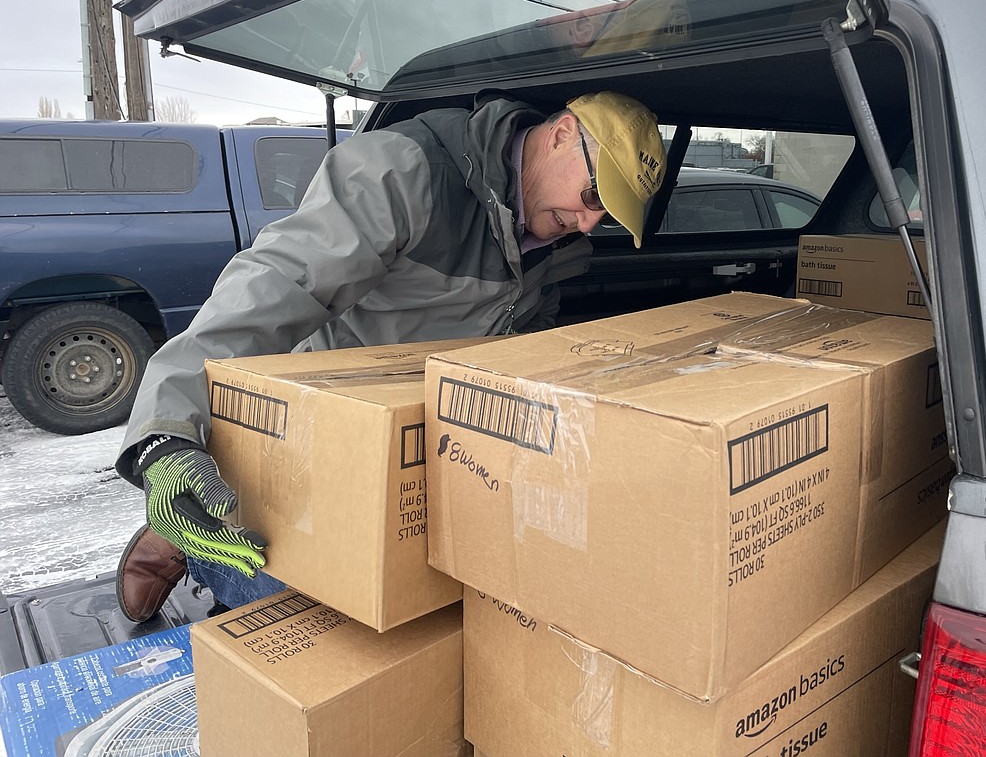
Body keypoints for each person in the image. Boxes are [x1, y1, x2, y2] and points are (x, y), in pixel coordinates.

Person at [113, 90, 667, 622]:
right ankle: (183, 527)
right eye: (595, 198)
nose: (592, 222)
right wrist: (168, 429)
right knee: (291, 599)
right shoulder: (404, 171)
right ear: (562, 135)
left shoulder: (564, 240)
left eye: (610, 214)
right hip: (332, 421)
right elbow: (276, 284)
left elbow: (531, 332)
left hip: (439, 430)